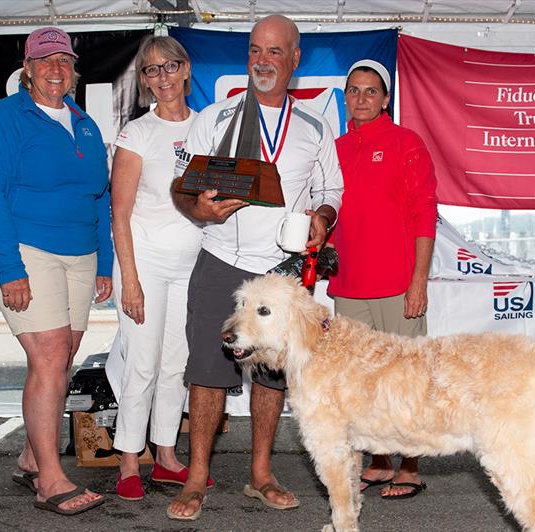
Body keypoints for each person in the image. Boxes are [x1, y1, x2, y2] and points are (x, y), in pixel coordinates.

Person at [166, 14, 344, 521]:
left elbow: (331, 190)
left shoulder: (314, 125)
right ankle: (197, 476)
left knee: (271, 377)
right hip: (222, 258)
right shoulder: (215, 118)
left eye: (273, 52)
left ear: (294, 59)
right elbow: (182, 184)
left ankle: (260, 472)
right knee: (207, 370)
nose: (262, 61)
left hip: (283, 272)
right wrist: (199, 209)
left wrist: (323, 217)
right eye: (254, 50)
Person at [0, 26, 112, 515]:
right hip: (27, 250)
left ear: (74, 70)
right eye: (45, 60)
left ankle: (33, 454)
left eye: (64, 61)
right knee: (50, 354)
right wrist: (9, 269)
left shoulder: (85, 123)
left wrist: (105, 261)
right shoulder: (4, 119)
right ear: (26, 69)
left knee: (65, 353)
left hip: (80, 254)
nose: (56, 68)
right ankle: (50, 480)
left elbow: (102, 197)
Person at [105, 35, 214, 501]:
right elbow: (120, 213)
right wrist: (129, 280)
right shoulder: (137, 133)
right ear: (144, 81)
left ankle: (167, 457)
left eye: (170, 67)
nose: (162, 77)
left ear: (186, 69)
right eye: (151, 70)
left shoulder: (208, 127)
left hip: (193, 268)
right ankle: (130, 460)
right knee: (142, 365)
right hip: (144, 265)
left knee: (176, 365)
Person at [329, 59, 438, 500]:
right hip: (349, 286)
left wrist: (419, 281)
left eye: (370, 91)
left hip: (397, 283)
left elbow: (424, 214)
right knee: (361, 383)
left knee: (407, 379)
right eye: (354, 91)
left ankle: (409, 466)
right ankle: (378, 461)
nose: (361, 98)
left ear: (386, 98)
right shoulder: (333, 147)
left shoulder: (405, 143)